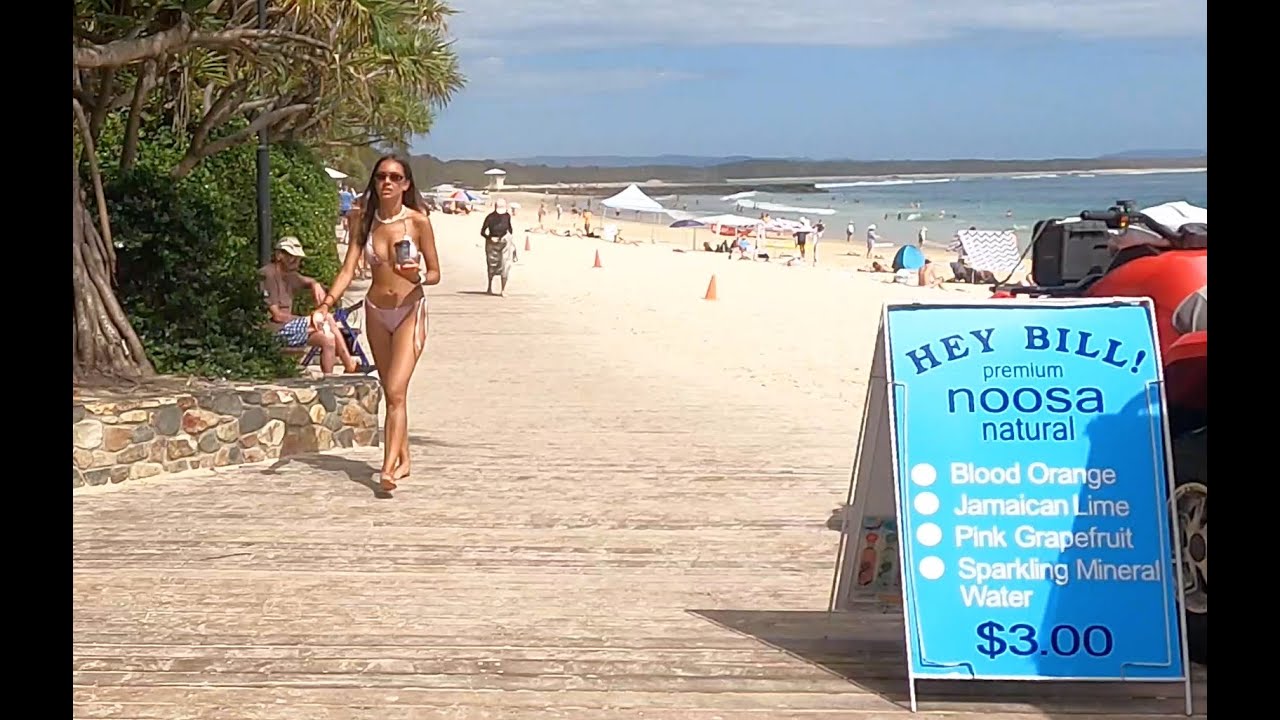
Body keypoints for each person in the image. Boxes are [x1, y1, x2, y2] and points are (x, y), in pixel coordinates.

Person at [318, 155, 442, 492]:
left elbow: (435, 273)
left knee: (396, 390)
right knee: (391, 391)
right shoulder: (364, 221)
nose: (386, 182)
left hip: (409, 311)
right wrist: (326, 304)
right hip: (376, 310)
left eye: (394, 177)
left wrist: (418, 276)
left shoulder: (418, 222)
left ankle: (387, 469)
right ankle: (404, 458)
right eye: (381, 177)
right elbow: (348, 270)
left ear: (405, 184)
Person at [259, 236, 360, 375]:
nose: (296, 260)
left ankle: (328, 380)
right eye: (291, 256)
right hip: (275, 331)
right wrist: (309, 320)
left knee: (328, 339)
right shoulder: (268, 275)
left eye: (298, 257)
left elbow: (307, 281)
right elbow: (277, 315)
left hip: (289, 330)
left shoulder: (290, 275)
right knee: (327, 318)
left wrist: (315, 284)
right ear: (279, 255)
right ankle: (349, 364)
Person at [481, 199, 516, 295]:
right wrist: (489, 238)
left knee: (505, 265)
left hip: (504, 242)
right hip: (492, 244)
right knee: (491, 266)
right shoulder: (490, 217)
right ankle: (489, 287)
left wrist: (509, 239)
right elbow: (482, 232)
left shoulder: (507, 216)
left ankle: (503, 290)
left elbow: (510, 228)